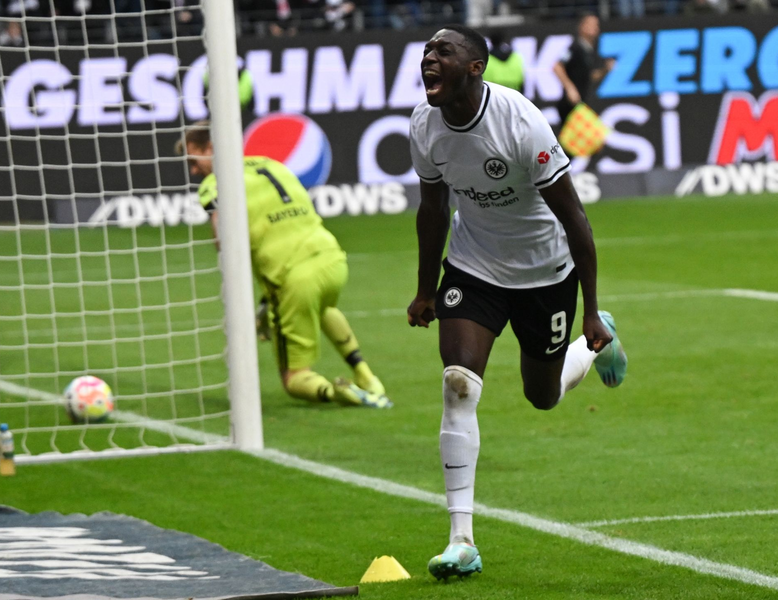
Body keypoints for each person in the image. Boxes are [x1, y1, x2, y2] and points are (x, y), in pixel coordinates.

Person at [407, 25, 627, 580]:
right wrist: (426, 287)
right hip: (474, 265)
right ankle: (462, 540)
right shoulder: (423, 125)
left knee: (543, 396)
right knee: (458, 383)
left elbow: (575, 219)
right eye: (427, 51)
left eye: (443, 51)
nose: (430, 58)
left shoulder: (521, 122)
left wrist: (592, 308)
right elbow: (432, 208)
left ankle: (594, 345)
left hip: (545, 273)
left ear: (475, 67)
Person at [176, 122, 392, 409]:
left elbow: (224, 235)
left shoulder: (216, 182)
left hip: (294, 280)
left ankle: (338, 392)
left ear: (213, 148)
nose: (193, 170)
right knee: (323, 307)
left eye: (194, 160)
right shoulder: (271, 164)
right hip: (331, 258)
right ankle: (367, 376)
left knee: (293, 378)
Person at [553, 13, 615, 126]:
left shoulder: (589, 50)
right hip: (569, 104)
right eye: (591, 24)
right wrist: (570, 88)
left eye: (596, 25)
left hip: (580, 103)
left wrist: (605, 70)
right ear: (581, 26)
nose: (595, 28)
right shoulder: (575, 47)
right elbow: (557, 66)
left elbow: (590, 76)